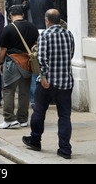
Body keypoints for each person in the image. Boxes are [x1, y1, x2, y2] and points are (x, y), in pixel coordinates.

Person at [22, 9, 75, 160]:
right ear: (59, 20)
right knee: (65, 116)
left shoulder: (44, 35)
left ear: (47, 21)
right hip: (65, 82)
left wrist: (43, 77)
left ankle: (35, 140)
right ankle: (65, 149)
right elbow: (71, 54)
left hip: (47, 82)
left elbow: (42, 58)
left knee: (39, 111)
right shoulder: (69, 34)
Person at [0, 6, 39, 129]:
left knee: (9, 90)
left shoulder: (9, 28)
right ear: (23, 14)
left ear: (10, 15)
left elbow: (2, 49)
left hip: (12, 62)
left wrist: (0, 62)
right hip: (27, 63)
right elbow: (35, 45)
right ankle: (23, 119)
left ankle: (9, 119)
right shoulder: (33, 27)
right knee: (24, 92)